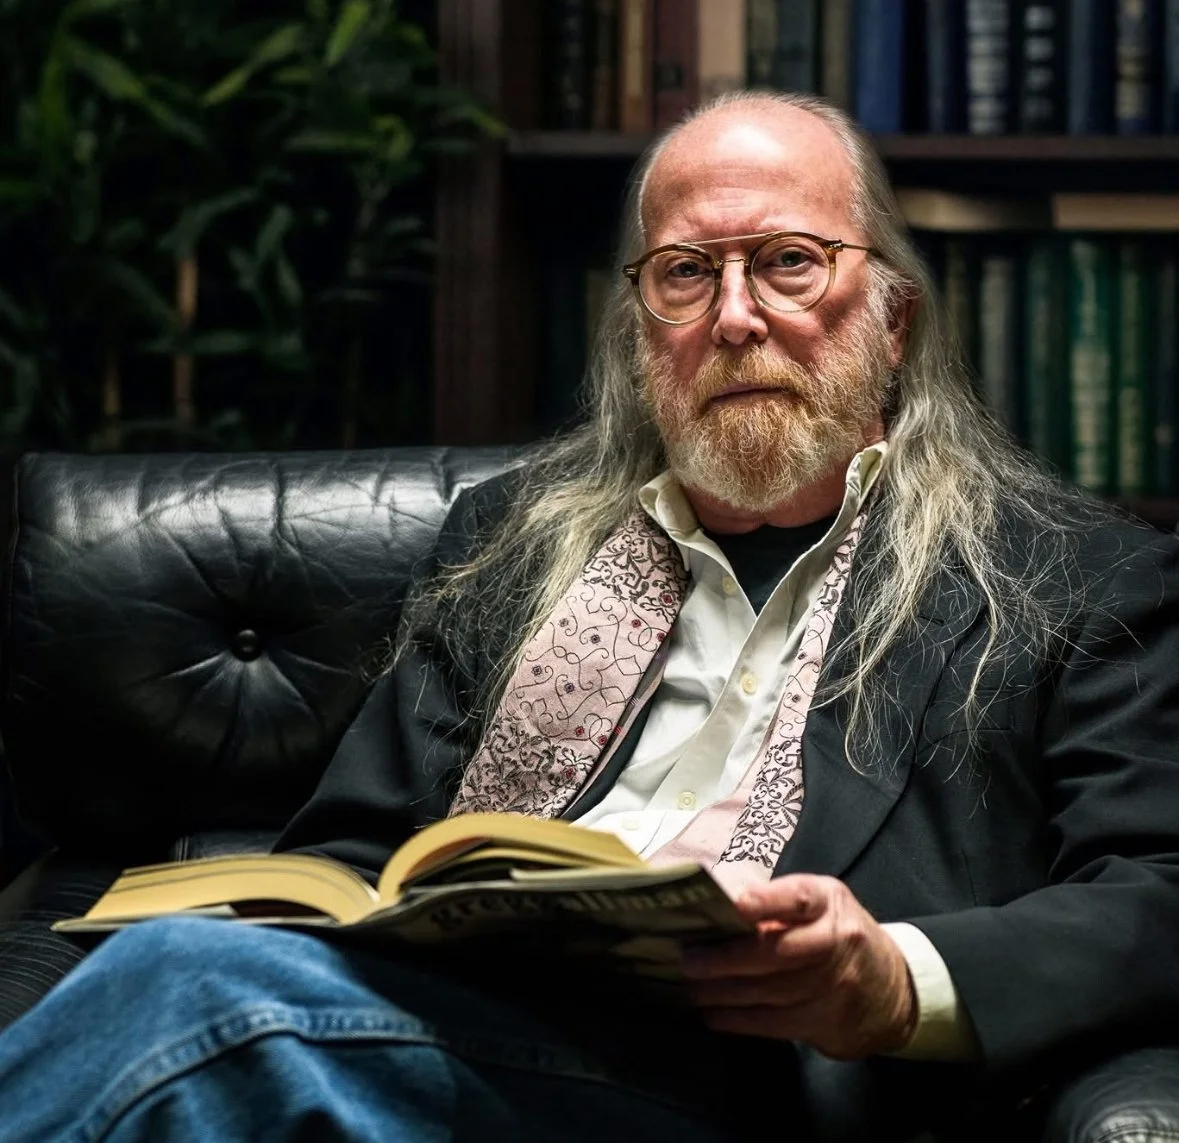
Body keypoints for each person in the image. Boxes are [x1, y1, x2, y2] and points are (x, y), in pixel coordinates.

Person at [1, 89, 1178, 1141]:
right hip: (452, 1048)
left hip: (770, 1078)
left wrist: (890, 979)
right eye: (685, 272)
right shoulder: (511, 547)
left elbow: (1159, 891)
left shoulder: (1073, 576)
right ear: (639, 330)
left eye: (789, 263)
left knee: (187, 1002)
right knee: (202, 1005)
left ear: (893, 321)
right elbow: (356, 855)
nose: (734, 317)